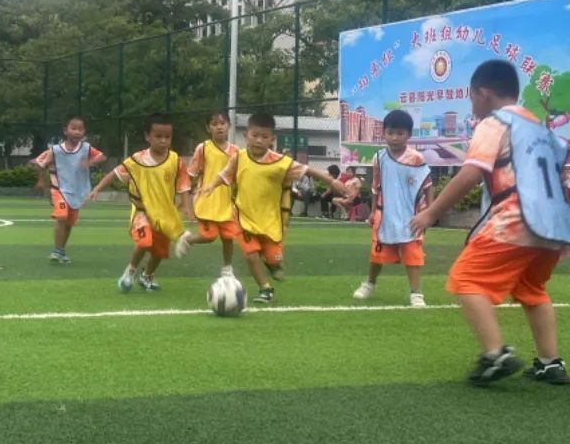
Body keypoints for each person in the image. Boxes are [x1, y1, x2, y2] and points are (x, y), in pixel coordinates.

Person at [411, 59, 570, 386]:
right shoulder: (542, 130)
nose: (472, 105)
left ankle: (495, 355)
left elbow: (470, 173)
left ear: (483, 93)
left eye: (471, 97)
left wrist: (431, 212)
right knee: (531, 288)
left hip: (515, 221)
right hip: (551, 226)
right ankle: (550, 363)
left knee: (466, 279)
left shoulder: (494, 123)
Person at [202, 112, 347, 303]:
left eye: (264, 136)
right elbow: (225, 174)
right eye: (255, 135)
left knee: (274, 259)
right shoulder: (239, 157)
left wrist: (332, 182)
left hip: (270, 221)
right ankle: (265, 289)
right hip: (243, 217)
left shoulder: (280, 162)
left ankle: (272, 263)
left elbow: (307, 170)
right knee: (250, 254)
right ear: (246, 136)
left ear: (272, 139)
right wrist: (211, 186)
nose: (258, 140)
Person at [90, 114, 192, 293]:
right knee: (144, 242)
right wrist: (97, 188)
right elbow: (114, 173)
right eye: (158, 136)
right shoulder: (137, 160)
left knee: (159, 252)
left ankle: (147, 276)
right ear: (147, 136)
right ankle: (129, 272)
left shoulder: (175, 161)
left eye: (167, 137)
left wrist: (186, 205)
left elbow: (183, 184)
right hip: (141, 212)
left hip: (164, 215)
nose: (163, 141)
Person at [352, 110, 432, 307]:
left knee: (412, 254)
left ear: (409, 135)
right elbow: (375, 187)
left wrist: (430, 212)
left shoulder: (416, 158)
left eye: (400, 133)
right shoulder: (379, 157)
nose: (395, 137)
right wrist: (373, 211)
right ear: (384, 133)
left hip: (410, 216)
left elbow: (428, 185)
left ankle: (416, 293)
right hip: (384, 214)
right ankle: (370, 283)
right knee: (377, 254)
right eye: (390, 132)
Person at [32, 115, 106, 264]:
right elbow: (39, 163)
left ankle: (61, 250)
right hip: (59, 189)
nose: (77, 132)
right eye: (74, 128)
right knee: (61, 217)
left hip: (78, 191)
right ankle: (56, 250)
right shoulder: (55, 150)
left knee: (69, 223)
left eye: (80, 129)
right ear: (65, 130)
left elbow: (102, 157)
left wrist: (89, 162)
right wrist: (41, 180)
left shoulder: (86, 148)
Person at [175, 111, 238, 275]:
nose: (219, 127)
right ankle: (188, 239)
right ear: (208, 128)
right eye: (214, 124)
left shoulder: (237, 152)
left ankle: (227, 268)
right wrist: (185, 200)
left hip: (226, 202)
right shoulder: (202, 148)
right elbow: (190, 174)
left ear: (229, 126)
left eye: (222, 123)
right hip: (206, 200)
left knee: (228, 237)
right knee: (209, 236)